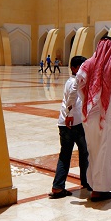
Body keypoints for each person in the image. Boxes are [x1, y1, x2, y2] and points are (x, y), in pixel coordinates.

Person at [66, 37, 111, 202]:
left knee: (93, 151)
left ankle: (94, 185)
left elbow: (74, 88)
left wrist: (69, 112)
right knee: (104, 152)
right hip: (106, 117)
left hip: (88, 116)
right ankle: (100, 190)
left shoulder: (86, 65)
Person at [49, 56, 89, 199]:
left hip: (65, 123)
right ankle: (87, 181)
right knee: (84, 153)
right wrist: (70, 114)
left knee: (65, 155)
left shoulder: (72, 81)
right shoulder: (74, 82)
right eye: (82, 67)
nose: (85, 69)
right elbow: (72, 98)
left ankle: (58, 186)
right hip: (74, 123)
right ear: (74, 68)